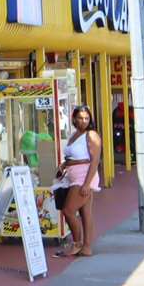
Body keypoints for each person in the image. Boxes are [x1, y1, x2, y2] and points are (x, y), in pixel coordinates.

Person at [54, 104, 102, 258]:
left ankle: (77, 243)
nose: (83, 121)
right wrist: (64, 165)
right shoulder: (74, 135)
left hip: (84, 177)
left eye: (87, 118)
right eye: (80, 118)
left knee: (68, 210)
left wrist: (87, 184)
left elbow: (95, 160)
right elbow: (73, 157)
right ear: (74, 118)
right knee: (85, 213)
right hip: (73, 175)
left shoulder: (91, 134)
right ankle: (86, 247)